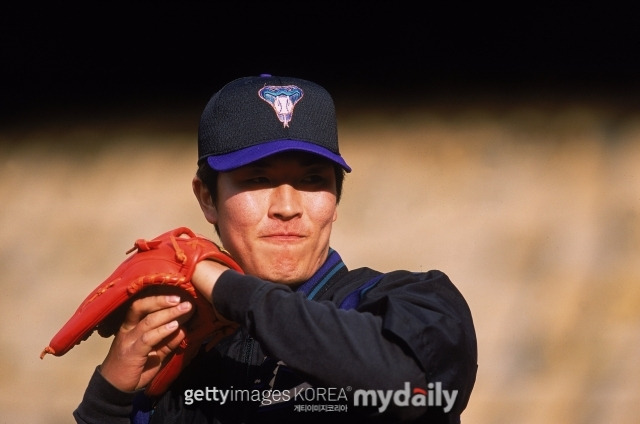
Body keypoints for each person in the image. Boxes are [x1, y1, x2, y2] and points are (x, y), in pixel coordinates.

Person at [72, 74, 478, 423]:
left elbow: (408, 389)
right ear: (208, 199)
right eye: (257, 180)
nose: (286, 207)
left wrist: (224, 286)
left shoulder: (414, 302)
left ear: (336, 197)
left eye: (312, 180)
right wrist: (111, 401)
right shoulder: (180, 355)